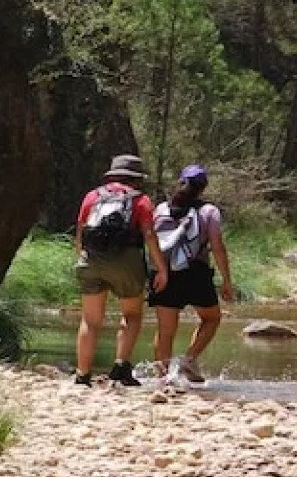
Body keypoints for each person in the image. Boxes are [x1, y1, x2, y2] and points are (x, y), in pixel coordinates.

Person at [73, 154, 167, 387]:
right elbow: (149, 235)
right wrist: (161, 268)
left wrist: (83, 255)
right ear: (136, 178)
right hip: (127, 261)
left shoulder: (92, 196)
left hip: (91, 259)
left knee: (90, 320)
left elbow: (81, 230)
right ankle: (119, 366)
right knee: (132, 314)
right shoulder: (141, 200)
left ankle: (83, 374)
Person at [149, 163, 236, 386]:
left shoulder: (161, 209)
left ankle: (163, 379)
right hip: (196, 273)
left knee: (166, 330)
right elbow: (217, 246)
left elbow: (151, 241)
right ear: (203, 188)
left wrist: (157, 270)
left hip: (164, 272)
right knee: (211, 318)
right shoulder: (209, 212)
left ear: (180, 182)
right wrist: (226, 280)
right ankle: (189, 358)